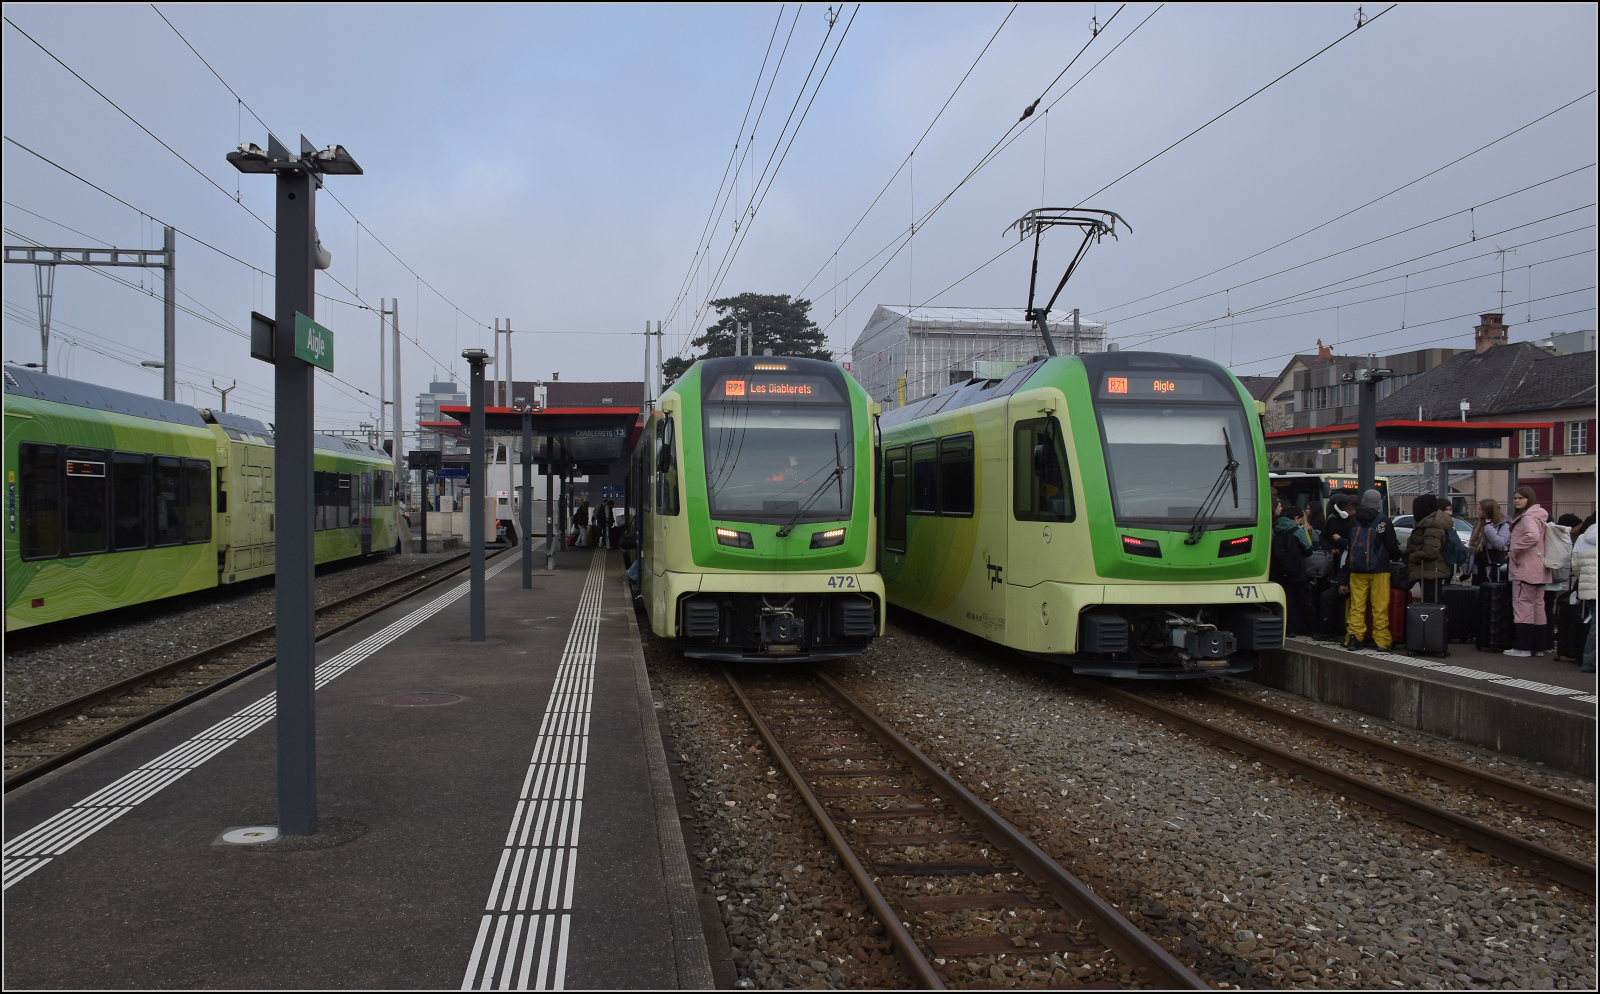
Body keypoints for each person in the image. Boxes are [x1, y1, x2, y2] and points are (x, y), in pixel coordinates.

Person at [1345, 488, 1401, 650]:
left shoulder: (1353, 520)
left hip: (1357, 569)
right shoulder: (1383, 521)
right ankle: (1381, 641)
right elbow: (1391, 545)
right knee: (1380, 606)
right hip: (1379, 569)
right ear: (1378, 503)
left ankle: (1354, 638)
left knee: (1357, 605)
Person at [1505, 486, 1551, 657]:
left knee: (1522, 605)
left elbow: (1532, 536)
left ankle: (1522, 647)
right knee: (1538, 606)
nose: (1517, 501)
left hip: (1524, 568)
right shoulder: (1540, 516)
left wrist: (1514, 550)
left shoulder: (1527, 518)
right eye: (1516, 498)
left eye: (1521, 498)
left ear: (1528, 500)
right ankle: (1539, 646)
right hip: (1540, 569)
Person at [1270, 504, 1313, 636]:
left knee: (1288, 601)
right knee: (1305, 600)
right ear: (1296, 518)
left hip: (1280, 572)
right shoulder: (1296, 530)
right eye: (1300, 519)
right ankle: (1311, 629)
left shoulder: (1274, 527)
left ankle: (1288, 630)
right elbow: (1308, 551)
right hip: (1297, 571)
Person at [1407, 495, 1453, 602]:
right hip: (1430, 569)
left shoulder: (1432, 526)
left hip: (1431, 570)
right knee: (1432, 601)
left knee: (1432, 603)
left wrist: (1412, 556)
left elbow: (1430, 551)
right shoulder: (1429, 523)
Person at [1468, 498, 1511, 585]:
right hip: (1478, 566)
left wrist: (1488, 527)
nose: (1478, 511)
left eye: (1480, 509)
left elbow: (1499, 543)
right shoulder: (1478, 524)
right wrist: (1467, 566)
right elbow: (1471, 546)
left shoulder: (1503, 525)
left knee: (1491, 594)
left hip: (1494, 567)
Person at [1573, 517, 1596, 673]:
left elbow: (1575, 566)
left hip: (1588, 587)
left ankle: (1589, 662)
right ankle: (1589, 663)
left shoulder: (1583, 537)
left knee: (1594, 626)